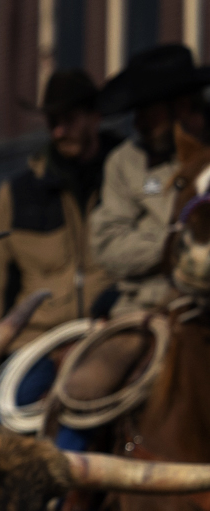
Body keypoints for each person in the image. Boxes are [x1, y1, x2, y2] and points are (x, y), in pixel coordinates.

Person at [0, 67, 105, 349]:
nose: (59, 131)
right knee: (7, 394)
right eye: (52, 122)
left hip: (110, 333)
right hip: (38, 342)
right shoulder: (17, 193)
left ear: (95, 119)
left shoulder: (122, 179)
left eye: (69, 120)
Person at [92, 43, 210, 317]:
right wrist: (177, 243)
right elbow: (108, 246)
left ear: (180, 106)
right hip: (146, 311)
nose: (138, 124)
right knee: (101, 361)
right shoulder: (125, 163)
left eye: (147, 112)